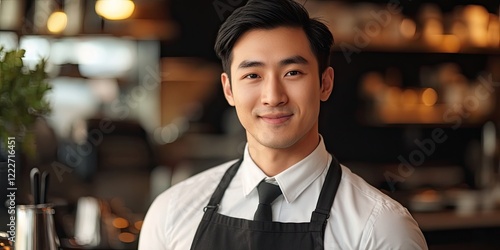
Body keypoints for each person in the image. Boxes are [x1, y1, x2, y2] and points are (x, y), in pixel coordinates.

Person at [139, 0, 428, 249]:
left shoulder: (381, 228)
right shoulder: (171, 212)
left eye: (292, 72)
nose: (273, 97)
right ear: (228, 90)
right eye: (253, 75)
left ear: (325, 83)